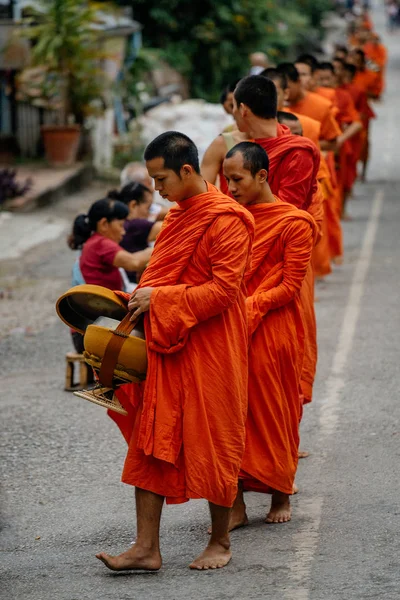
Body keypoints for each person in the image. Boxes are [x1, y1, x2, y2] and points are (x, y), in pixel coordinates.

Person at [96, 131, 255, 572]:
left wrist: (161, 300)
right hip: (168, 344)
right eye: (152, 180)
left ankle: (220, 540)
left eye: (161, 178)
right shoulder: (179, 216)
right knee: (151, 441)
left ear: (187, 170)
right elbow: (158, 273)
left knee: (214, 440)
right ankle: (147, 548)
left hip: (212, 345)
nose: (156, 189)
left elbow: (224, 291)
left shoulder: (227, 219)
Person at [222, 142, 315, 526]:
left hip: (273, 328)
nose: (230, 188)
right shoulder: (231, 219)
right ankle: (236, 501)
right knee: (232, 411)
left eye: (237, 179)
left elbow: (290, 286)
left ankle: (281, 492)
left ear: (262, 176)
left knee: (275, 409)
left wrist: (252, 306)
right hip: (230, 328)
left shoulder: (294, 223)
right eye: (227, 180)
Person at [67, 198, 152, 353]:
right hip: (91, 332)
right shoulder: (100, 243)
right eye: (120, 225)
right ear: (104, 224)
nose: (123, 231)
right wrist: (164, 245)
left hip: (89, 329)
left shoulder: (94, 242)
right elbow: (134, 262)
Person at [108, 183, 163, 282]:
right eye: (149, 208)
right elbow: (174, 226)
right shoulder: (135, 225)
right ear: (133, 205)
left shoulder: (122, 224)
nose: (151, 213)